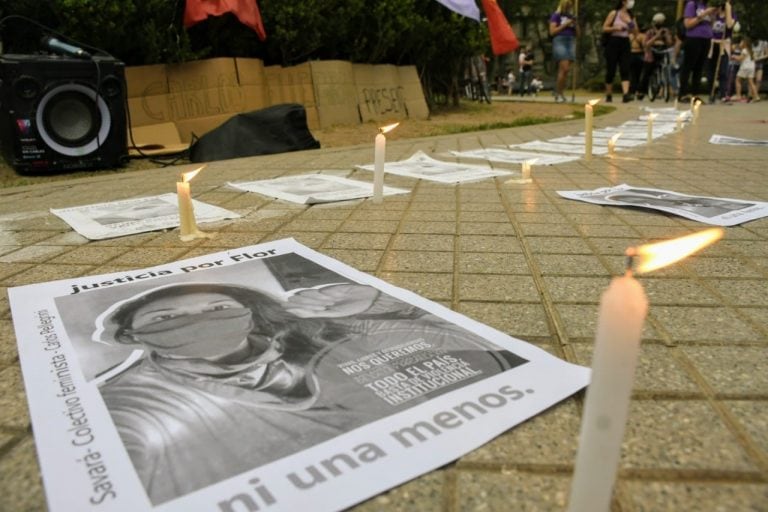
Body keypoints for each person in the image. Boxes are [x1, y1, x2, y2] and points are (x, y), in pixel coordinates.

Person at [93, 281, 526, 504]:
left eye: (218, 309)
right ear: (132, 338)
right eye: (166, 317)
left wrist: (383, 304)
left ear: (249, 314)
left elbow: (476, 349)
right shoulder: (130, 404)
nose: (199, 320)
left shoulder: (321, 332)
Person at [678, 0, 718, 102]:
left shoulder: (706, 5)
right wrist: (704, 14)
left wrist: (712, 15)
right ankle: (682, 93)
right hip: (693, 38)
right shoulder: (692, 4)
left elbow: (711, 24)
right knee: (688, 66)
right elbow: (688, 24)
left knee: (699, 68)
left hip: (706, 38)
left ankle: (695, 94)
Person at [602, 0, 639, 103]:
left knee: (625, 68)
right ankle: (609, 94)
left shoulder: (631, 16)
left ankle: (626, 94)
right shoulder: (614, 13)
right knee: (611, 69)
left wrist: (629, 22)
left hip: (625, 42)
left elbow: (636, 32)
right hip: (613, 42)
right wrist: (615, 28)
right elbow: (604, 28)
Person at [549, 0, 579, 103]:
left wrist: (575, 25)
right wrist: (565, 24)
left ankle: (559, 91)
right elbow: (552, 31)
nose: (569, 7)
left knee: (564, 71)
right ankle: (559, 92)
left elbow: (578, 34)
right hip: (560, 40)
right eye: (567, 6)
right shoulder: (556, 16)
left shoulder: (571, 17)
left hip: (571, 41)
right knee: (565, 68)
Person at [639, 13, 673, 100]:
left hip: (662, 53)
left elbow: (670, 43)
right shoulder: (650, 32)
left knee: (665, 67)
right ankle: (641, 91)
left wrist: (665, 36)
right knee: (647, 72)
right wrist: (656, 37)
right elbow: (646, 44)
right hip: (651, 54)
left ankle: (664, 88)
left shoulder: (666, 31)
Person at [707, 1, 736, 102]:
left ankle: (723, 94)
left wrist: (728, 9)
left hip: (724, 44)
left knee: (723, 70)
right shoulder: (715, 14)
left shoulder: (732, 14)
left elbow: (729, 25)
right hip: (713, 44)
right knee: (711, 70)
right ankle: (711, 93)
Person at [734, 37, 760, 102]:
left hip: (745, 67)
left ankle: (738, 95)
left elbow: (741, 58)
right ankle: (756, 96)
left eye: (741, 42)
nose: (740, 43)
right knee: (751, 82)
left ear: (744, 43)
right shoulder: (751, 50)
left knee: (738, 80)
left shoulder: (744, 50)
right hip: (751, 67)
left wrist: (734, 57)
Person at [629, 25, 646, 99]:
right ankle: (639, 91)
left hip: (631, 54)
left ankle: (632, 91)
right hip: (640, 54)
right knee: (639, 75)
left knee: (633, 75)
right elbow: (645, 46)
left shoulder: (629, 36)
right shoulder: (642, 36)